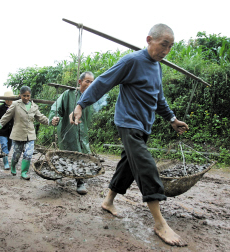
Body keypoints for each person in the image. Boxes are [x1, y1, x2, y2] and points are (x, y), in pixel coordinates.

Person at [70, 24, 189, 247]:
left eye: (170, 47)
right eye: (164, 44)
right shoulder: (132, 61)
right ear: (149, 39)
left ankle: (108, 201)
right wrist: (81, 105)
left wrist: (172, 120)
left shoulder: (157, 67)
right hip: (127, 123)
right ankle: (160, 222)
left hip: (144, 126)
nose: (166, 51)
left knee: (127, 165)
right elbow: (103, 81)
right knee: (145, 165)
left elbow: (159, 99)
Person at [0, 86, 53, 180]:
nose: (26, 98)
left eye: (28, 96)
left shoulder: (34, 106)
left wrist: (51, 122)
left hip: (30, 134)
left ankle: (24, 172)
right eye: (24, 96)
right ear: (20, 95)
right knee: (17, 154)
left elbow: (41, 117)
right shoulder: (15, 104)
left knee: (28, 154)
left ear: (30, 95)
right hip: (18, 134)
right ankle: (13, 165)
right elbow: (6, 117)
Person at [49, 71, 95, 195]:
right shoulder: (68, 94)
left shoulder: (91, 97)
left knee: (82, 156)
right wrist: (54, 118)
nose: (90, 85)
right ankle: (59, 173)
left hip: (82, 132)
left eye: (92, 82)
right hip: (68, 131)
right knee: (66, 155)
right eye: (87, 81)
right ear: (80, 82)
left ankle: (80, 182)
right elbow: (56, 108)